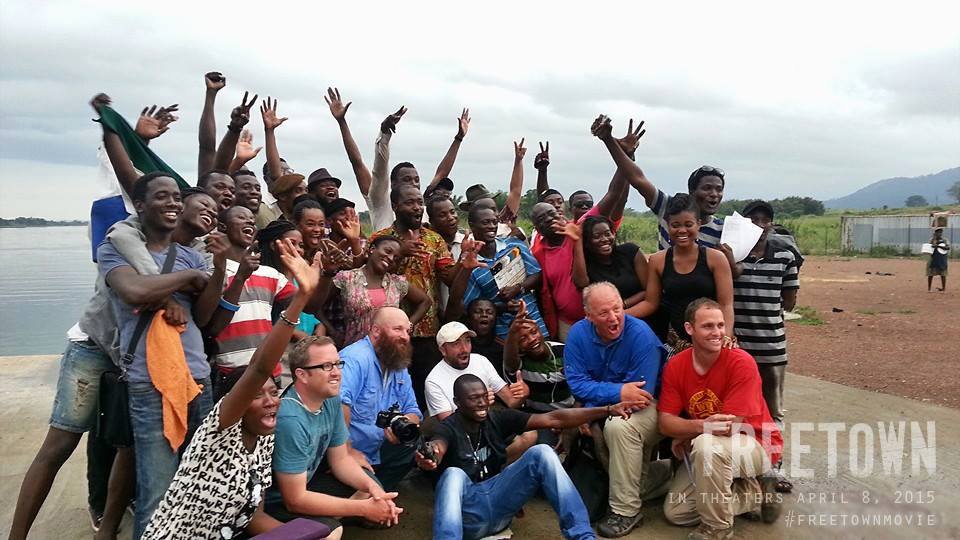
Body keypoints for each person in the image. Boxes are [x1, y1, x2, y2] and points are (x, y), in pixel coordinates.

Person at [141, 237, 340, 539]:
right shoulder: (220, 429)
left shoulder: (263, 441)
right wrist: (300, 298)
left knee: (328, 533)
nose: (272, 401)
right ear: (235, 403)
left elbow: (252, 516)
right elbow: (260, 367)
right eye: (258, 396)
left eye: (274, 393)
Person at [97, 172, 220, 538]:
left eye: (176, 196)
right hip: (150, 384)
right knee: (157, 491)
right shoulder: (115, 249)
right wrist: (187, 280)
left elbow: (205, 317)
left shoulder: (192, 256)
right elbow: (133, 290)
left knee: (200, 482)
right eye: (161, 196)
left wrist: (213, 273)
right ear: (140, 205)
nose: (172, 202)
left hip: (197, 378)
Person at [415, 374, 644, 540]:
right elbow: (438, 446)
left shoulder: (496, 418)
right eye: (474, 398)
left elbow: (554, 419)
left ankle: (582, 536)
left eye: (484, 396)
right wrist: (432, 455)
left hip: (499, 506)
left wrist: (606, 410)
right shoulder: (447, 428)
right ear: (457, 403)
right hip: (468, 518)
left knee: (542, 452)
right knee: (453, 474)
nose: (482, 403)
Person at [659, 298, 783, 540]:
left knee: (707, 447)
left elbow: (730, 426)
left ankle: (717, 528)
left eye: (720, 325)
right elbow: (665, 422)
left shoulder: (741, 362)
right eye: (707, 326)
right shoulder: (676, 366)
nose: (717, 333)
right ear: (689, 329)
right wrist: (697, 427)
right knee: (676, 512)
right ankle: (753, 492)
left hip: (757, 443)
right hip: (713, 445)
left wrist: (686, 432)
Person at [563, 283, 670, 538]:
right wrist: (610, 398)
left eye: (617, 308)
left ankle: (625, 511)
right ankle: (666, 474)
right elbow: (577, 383)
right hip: (608, 404)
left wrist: (598, 405)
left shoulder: (641, 334)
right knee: (630, 479)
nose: (614, 317)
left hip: (655, 406)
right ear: (589, 316)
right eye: (603, 313)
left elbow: (640, 397)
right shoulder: (578, 334)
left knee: (619, 426)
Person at [264, 336, 403, 530]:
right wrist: (362, 509)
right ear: (302, 375)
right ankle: (324, 525)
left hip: (308, 482)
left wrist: (375, 491)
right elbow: (294, 499)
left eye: (338, 364)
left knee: (370, 484)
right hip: (279, 501)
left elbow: (341, 460)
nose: (337, 373)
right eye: (327, 366)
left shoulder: (330, 398)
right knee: (331, 530)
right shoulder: (290, 420)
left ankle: (332, 519)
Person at [370, 184, 458, 410]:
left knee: (425, 393)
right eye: (410, 203)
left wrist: (466, 261)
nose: (418, 207)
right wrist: (399, 252)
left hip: (427, 332)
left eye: (420, 202)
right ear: (395, 205)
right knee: (387, 391)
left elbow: (450, 278)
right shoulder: (379, 240)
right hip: (388, 333)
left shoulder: (434, 240)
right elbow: (369, 277)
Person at [732, 200, 799, 494]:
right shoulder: (732, 255)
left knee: (772, 411)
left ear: (771, 223)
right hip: (739, 349)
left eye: (765, 219)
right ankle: (745, 467)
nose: (759, 224)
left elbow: (790, 300)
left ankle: (774, 467)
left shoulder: (785, 256)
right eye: (753, 220)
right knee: (740, 409)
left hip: (772, 347)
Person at [590, 115, 725, 251]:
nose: (714, 194)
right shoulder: (669, 207)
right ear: (692, 191)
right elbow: (637, 179)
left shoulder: (723, 231)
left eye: (719, 189)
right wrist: (609, 140)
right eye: (707, 188)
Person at [626, 194, 735, 348]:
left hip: (714, 339)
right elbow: (651, 303)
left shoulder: (715, 258)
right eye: (675, 225)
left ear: (698, 224)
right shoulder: (658, 261)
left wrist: (725, 338)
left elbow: (726, 304)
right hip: (678, 342)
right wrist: (619, 316)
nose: (682, 230)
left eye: (688, 224)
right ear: (668, 225)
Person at [206, 206, 296, 391]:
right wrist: (240, 276)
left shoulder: (269, 273)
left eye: (252, 220)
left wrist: (324, 274)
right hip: (229, 373)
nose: (249, 221)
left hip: (269, 372)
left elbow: (304, 302)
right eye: (241, 217)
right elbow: (213, 327)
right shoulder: (213, 271)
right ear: (222, 227)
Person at [339, 308, 422, 491]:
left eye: (408, 331)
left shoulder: (397, 363)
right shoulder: (356, 358)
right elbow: (338, 405)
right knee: (373, 497)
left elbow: (413, 410)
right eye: (397, 329)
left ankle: (370, 493)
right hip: (349, 451)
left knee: (415, 444)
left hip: (377, 449)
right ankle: (363, 497)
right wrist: (346, 451)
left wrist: (401, 426)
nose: (405, 337)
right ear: (376, 330)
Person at [447, 204, 547, 340]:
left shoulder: (513, 245)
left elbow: (538, 275)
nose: (491, 226)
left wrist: (518, 289)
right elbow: (472, 307)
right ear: (472, 225)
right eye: (485, 222)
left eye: (494, 222)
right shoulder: (472, 265)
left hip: (533, 321)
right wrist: (502, 307)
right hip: (503, 333)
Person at [315, 235, 431, 347]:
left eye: (396, 258)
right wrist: (332, 332)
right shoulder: (347, 278)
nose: (391, 258)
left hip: (389, 352)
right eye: (388, 251)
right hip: (356, 350)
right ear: (372, 249)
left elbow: (425, 301)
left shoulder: (397, 283)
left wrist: (407, 326)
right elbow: (316, 304)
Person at [425, 322, 529, 420]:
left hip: (489, 423)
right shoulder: (434, 381)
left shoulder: (480, 361)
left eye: (467, 341)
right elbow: (451, 426)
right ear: (443, 350)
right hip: (464, 434)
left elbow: (512, 402)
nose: (464, 349)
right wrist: (480, 404)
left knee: (529, 434)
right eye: (456, 344)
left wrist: (523, 393)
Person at [256, 221, 324, 340]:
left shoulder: (299, 279)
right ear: (274, 245)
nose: (298, 250)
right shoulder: (265, 279)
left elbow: (311, 312)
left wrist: (319, 329)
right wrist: (305, 339)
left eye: (301, 245)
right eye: (292, 243)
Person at [503, 303, 572, 412]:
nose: (531, 339)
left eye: (534, 332)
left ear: (540, 330)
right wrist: (512, 332)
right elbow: (510, 365)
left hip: (570, 412)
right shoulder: (519, 361)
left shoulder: (564, 351)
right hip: (538, 417)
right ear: (518, 346)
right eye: (523, 339)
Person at [573, 215, 648, 308]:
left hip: (643, 311)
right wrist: (578, 240)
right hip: (608, 318)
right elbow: (581, 284)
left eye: (608, 233)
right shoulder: (586, 265)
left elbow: (649, 290)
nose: (604, 239)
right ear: (587, 242)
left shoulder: (631, 252)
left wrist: (622, 305)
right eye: (597, 236)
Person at [465, 298, 504, 376]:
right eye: (477, 312)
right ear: (469, 318)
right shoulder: (462, 347)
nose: (484, 315)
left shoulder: (502, 347)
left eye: (489, 312)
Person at [292, 197, 326, 262]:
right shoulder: (289, 254)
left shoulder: (326, 250)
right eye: (310, 224)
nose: (317, 230)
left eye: (321, 224)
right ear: (296, 225)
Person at [928, 227, 950, 292]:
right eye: (937, 232)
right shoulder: (932, 240)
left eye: (940, 232)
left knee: (943, 274)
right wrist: (932, 245)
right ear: (935, 233)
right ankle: (929, 288)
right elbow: (928, 247)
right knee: (930, 274)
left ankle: (943, 288)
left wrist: (938, 246)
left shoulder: (945, 240)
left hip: (942, 259)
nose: (939, 234)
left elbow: (948, 247)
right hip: (933, 258)